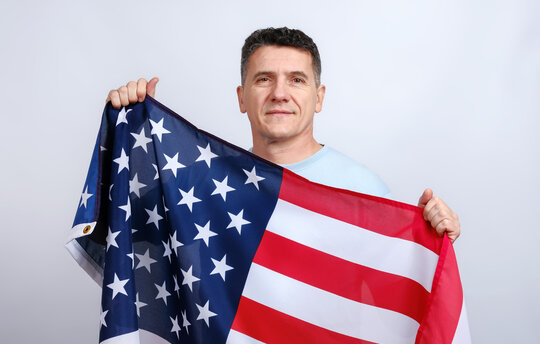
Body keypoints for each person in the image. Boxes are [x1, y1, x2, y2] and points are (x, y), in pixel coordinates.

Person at [106, 27, 461, 242]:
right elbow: (133, 242)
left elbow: (392, 298)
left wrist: (428, 239)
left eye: (297, 79)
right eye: (264, 79)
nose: (279, 93)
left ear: (318, 97)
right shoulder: (205, 187)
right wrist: (131, 131)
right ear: (242, 97)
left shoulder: (363, 189)